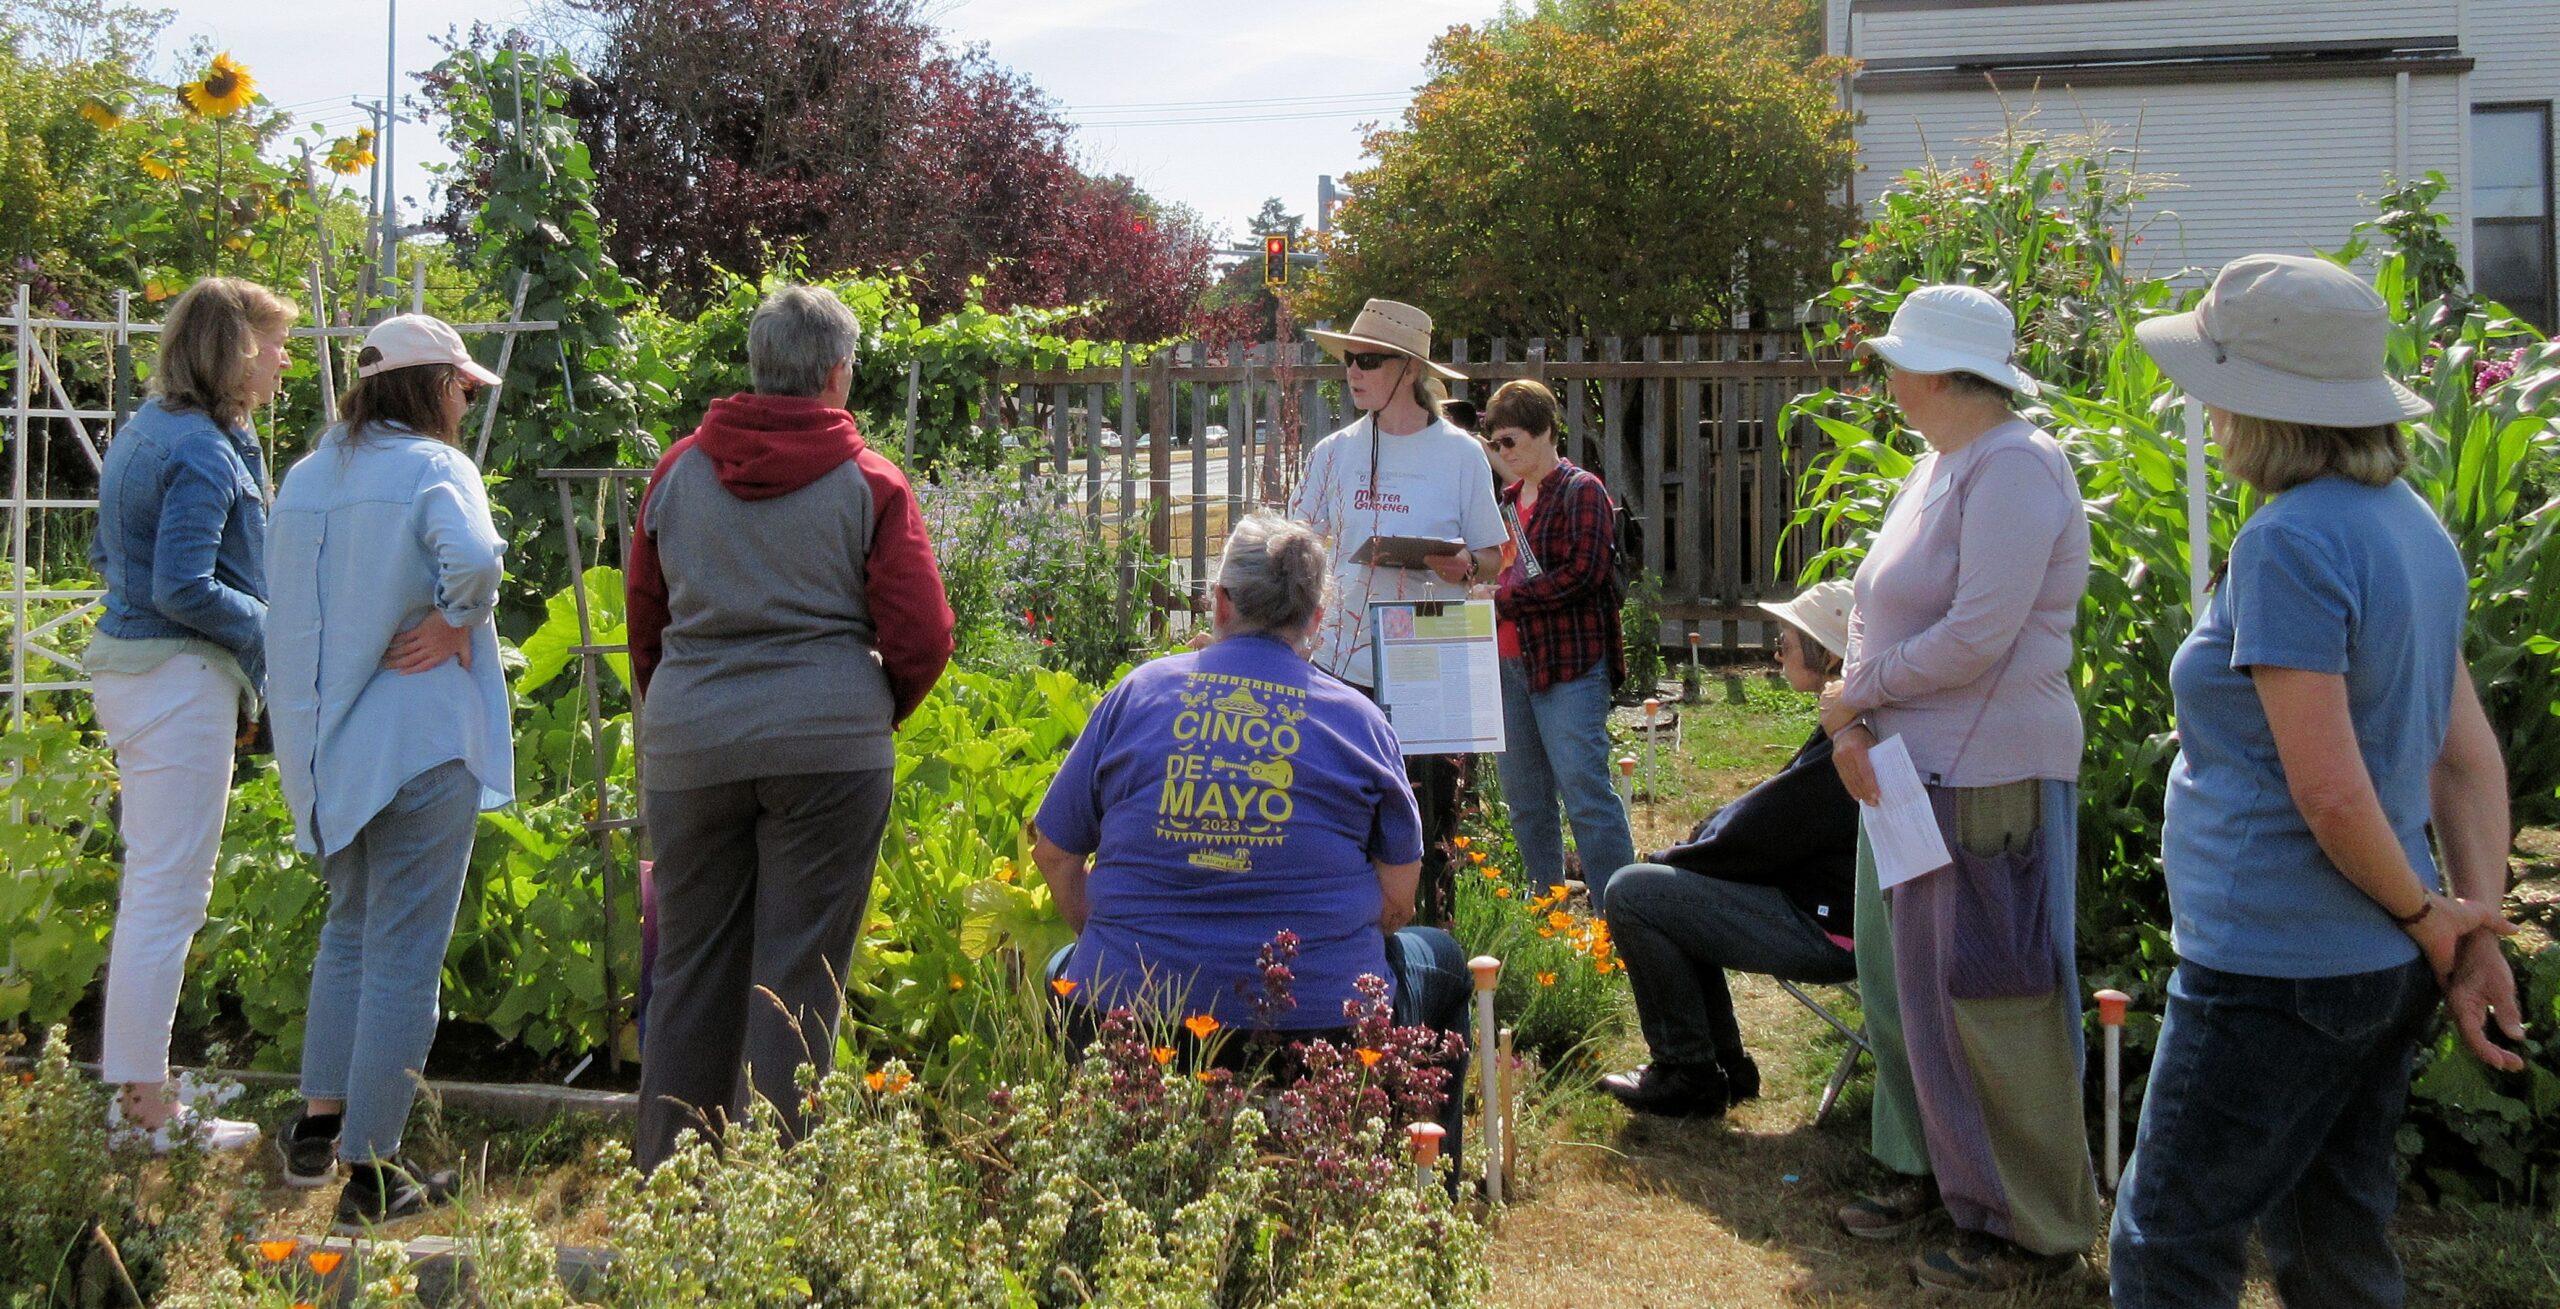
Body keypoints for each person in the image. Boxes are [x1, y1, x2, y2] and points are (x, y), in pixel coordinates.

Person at [2109, 254, 2524, 1307]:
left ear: (2258, 403)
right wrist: (2466, 926)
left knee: (2169, 1244)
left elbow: (2330, 793)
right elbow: (2463, 751)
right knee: (2333, 1235)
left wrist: (2437, 916)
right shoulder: (2411, 526)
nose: (2200, 411)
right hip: (2373, 965)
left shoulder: (2288, 543)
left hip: (2272, 962)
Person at [626, 285, 954, 1171]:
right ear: (838, 373)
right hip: (829, 750)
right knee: (799, 972)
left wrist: (685, 715)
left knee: (691, 966)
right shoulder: (871, 482)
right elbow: (923, 635)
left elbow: (645, 624)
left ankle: (672, 1185)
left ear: (757, 365)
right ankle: (778, 1187)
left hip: (694, 746)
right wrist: (866, 708)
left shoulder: (677, 472)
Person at [1816, 284, 2100, 1291]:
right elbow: (1880, 610)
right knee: (1930, 996)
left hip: (1984, 771)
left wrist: (1856, 695)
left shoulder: (2016, 466)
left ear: (1939, 373)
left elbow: (1979, 635)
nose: (1886, 376)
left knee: (1995, 994)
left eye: (1897, 359)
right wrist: (1856, 715)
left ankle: (2036, 1226)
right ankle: (1967, 1190)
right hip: (1914, 767)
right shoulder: (1947, 463)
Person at [1031, 511, 1471, 1140]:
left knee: (1061, 968)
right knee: (1444, 962)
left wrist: (1112, 937)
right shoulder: (1358, 720)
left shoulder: (1137, 694)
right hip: (1319, 1030)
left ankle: (1103, 1156)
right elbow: (1399, 899)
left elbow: (1054, 852)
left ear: (1219, 603)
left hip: (1128, 1019)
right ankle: (1417, 1180)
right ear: (1317, 621)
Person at [263, 314, 511, 1229]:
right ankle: (373, 1174)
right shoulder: (434, 468)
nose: (463, 400)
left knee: (352, 931)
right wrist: (457, 619)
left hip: (333, 750)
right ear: (430, 387)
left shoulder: (304, 476)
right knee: (404, 952)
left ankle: (316, 1128)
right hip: (420, 742)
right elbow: (478, 558)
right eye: (459, 386)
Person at [87, 276, 296, 1152]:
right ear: (235, 350)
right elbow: (182, 585)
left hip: (146, 672)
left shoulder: (159, 430)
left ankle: (143, 1084)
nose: (285, 360)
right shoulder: (203, 452)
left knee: (158, 886)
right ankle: (144, 1112)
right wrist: (275, 629)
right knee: (169, 894)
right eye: (275, 343)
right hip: (175, 679)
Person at [1599, 580, 1859, 1116]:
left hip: (1825, 931)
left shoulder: (1849, 738)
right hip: (1830, 913)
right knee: (1673, 891)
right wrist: (1697, 851)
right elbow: (1767, 818)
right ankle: (1724, 1064)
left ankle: (1687, 1071)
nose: (1777, 649)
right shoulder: (1851, 723)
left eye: (1788, 638)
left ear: (1830, 655)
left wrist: (1679, 857)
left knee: (1632, 893)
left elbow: (1762, 832)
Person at [1287, 299, 1506, 926]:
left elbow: (1493, 557)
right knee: (1342, 813)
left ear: (1409, 370)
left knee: (1428, 816)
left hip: (1429, 654)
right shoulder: (1333, 453)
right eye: (1348, 360)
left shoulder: (1460, 454)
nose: (1353, 372)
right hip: (1342, 658)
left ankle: (1429, 959)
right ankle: (1345, 954)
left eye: (1368, 360)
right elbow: (1300, 545)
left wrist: (1462, 565)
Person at [1475, 379, 1635, 907]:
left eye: (1511, 440)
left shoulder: (1581, 489)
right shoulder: (1506, 501)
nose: (1504, 453)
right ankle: (1547, 909)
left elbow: (1584, 573)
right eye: (1496, 444)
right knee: (1524, 800)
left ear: (1546, 431)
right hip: (1508, 662)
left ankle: (1622, 913)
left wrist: (1505, 600)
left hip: (1570, 664)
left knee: (1585, 794)